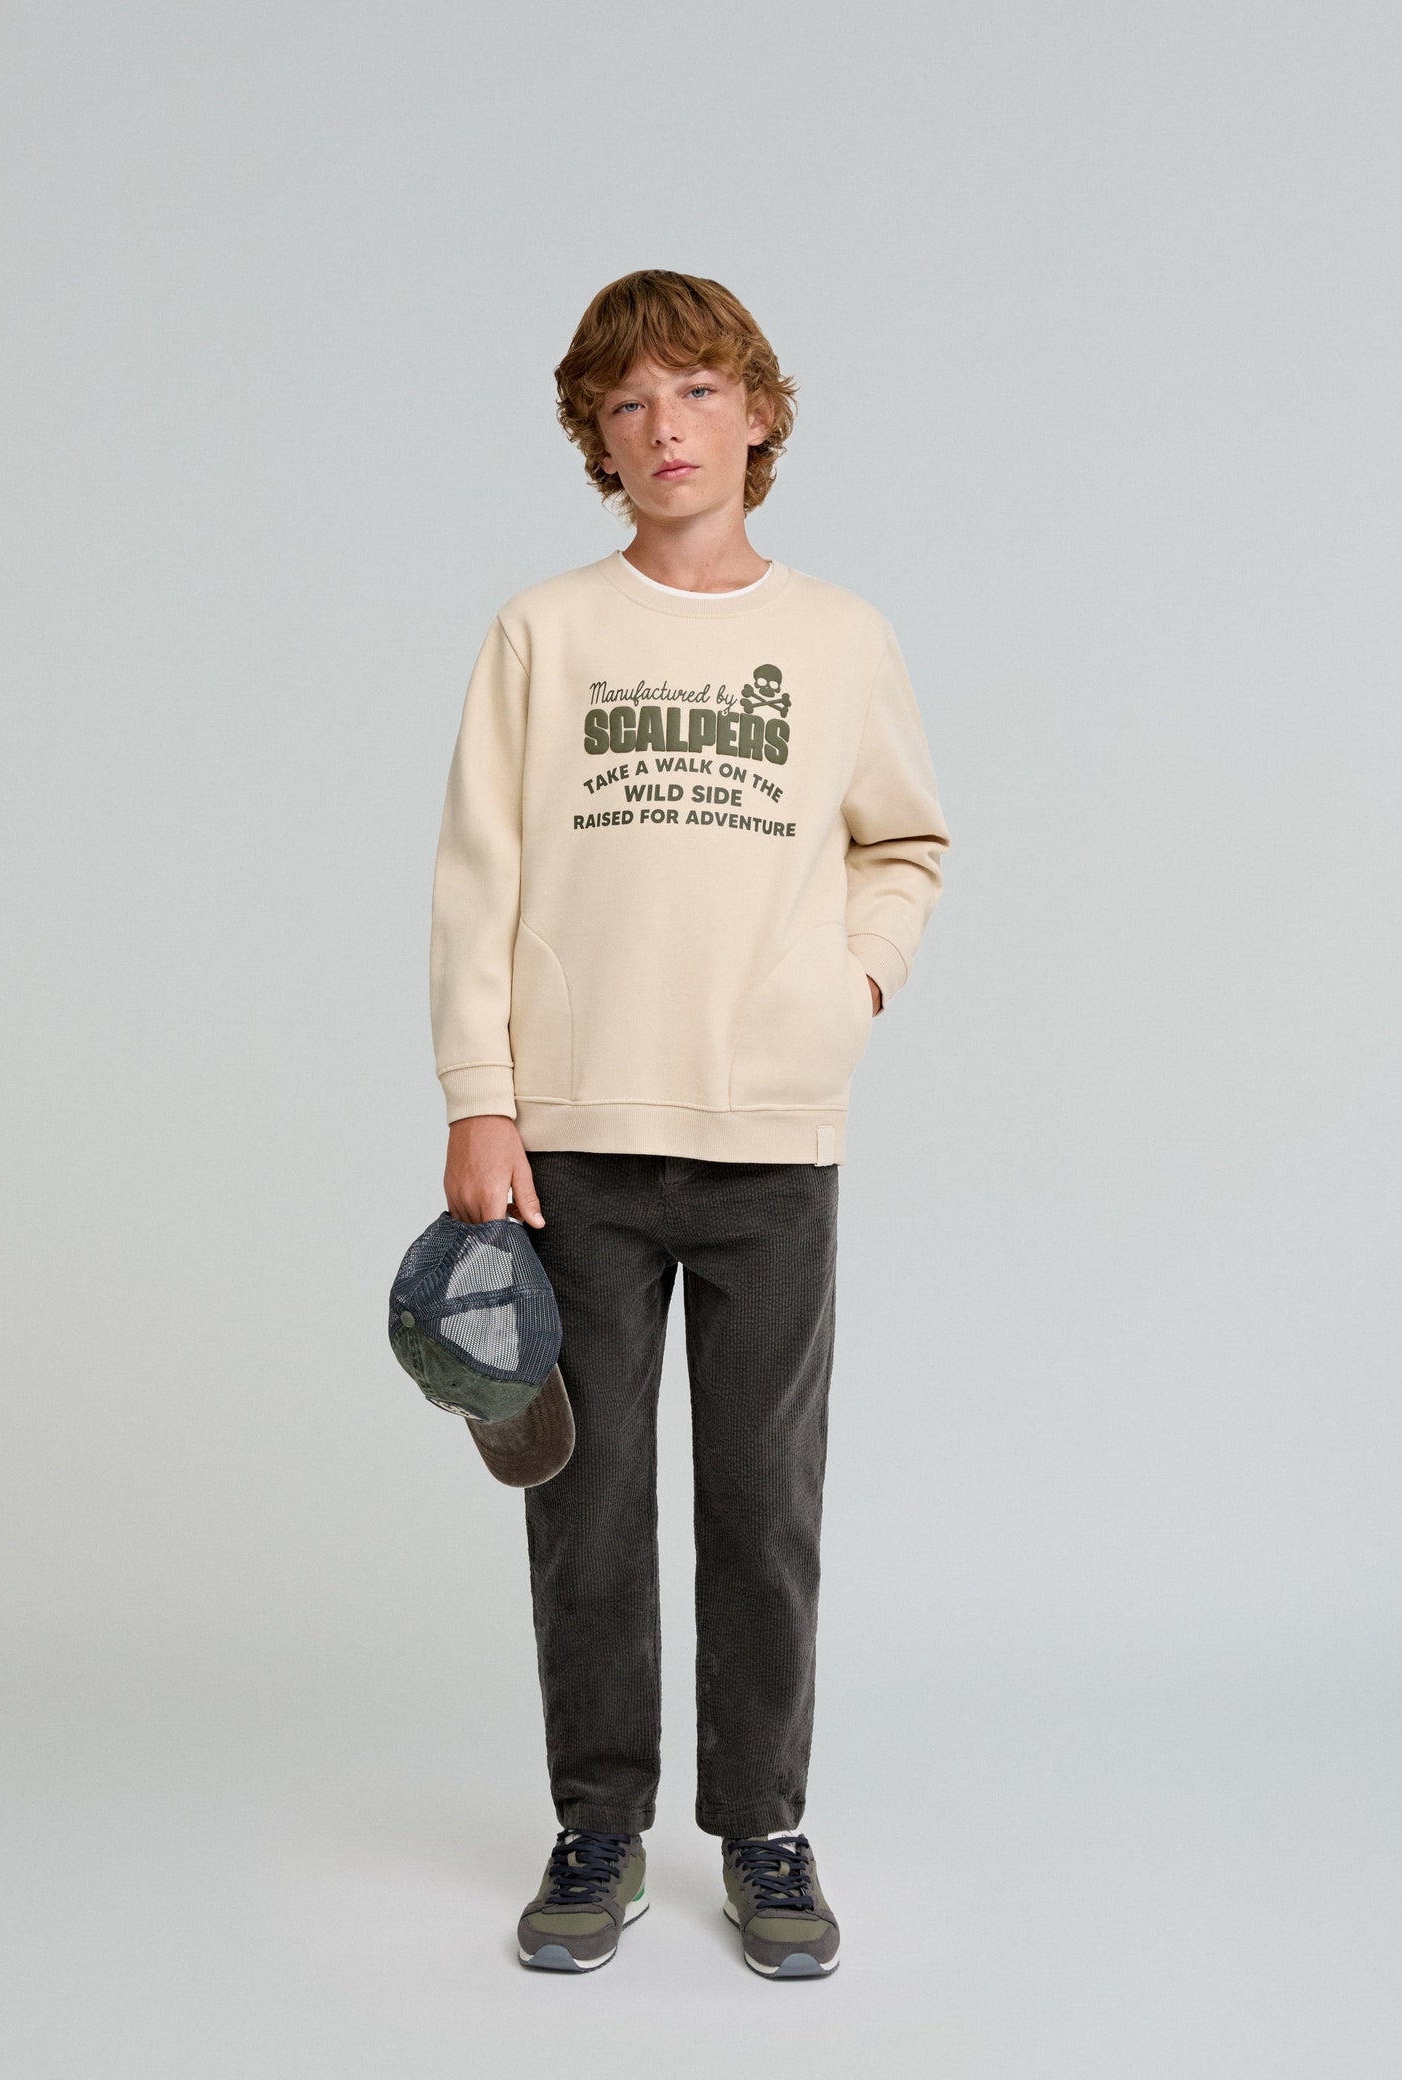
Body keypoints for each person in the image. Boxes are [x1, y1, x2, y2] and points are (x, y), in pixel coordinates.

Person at [428, 269, 951, 1977]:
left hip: (772, 1140)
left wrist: (850, 985)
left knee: (761, 1502)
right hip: (571, 1143)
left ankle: (764, 1830)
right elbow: (478, 880)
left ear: (759, 413)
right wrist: (481, 1100)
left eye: (698, 391)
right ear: (597, 437)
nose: (666, 428)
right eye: (629, 402)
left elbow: (904, 841)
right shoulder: (544, 633)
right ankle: (598, 1825)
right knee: (584, 1504)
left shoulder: (840, 638)